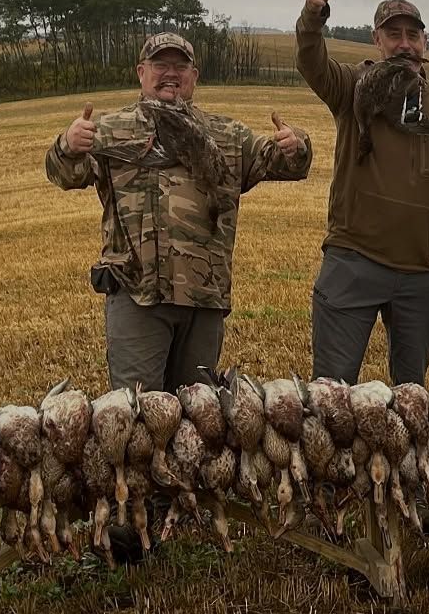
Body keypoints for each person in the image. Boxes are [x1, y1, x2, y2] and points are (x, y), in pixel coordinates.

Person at [46, 32, 312, 392]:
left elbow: (284, 164)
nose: (170, 73)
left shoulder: (227, 135)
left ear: (194, 76)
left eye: (180, 66)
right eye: (160, 65)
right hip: (137, 296)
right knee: (137, 418)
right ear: (141, 72)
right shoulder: (111, 131)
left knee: (199, 421)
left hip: (203, 300)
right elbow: (64, 174)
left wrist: (295, 146)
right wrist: (68, 145)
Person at [295, 0, 429, 384]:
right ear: (377, 40)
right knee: (332, 394)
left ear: (425, 41)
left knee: (412, 402)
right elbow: (311, 62)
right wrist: (313, 15)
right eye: (394, 34)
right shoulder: (354, 87)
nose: (405, 44)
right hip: (353, 264)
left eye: (413, 35)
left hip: (419, 279)